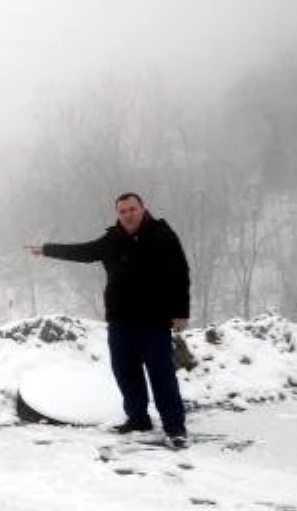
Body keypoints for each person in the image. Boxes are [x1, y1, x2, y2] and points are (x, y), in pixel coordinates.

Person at [26, 192, 191, 448]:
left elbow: (180, 274)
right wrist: (47, 249)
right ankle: (138, 420)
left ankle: (175, 427)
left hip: (154, 321)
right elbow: (84, 251)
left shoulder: (162, 235)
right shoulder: (112, 239)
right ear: (118, 214)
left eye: (132, 209)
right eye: (122, 211)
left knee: (162, 376)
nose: (128, 214)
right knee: (126, 373)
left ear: (143, 208)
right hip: (120, 320)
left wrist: (181, 312)